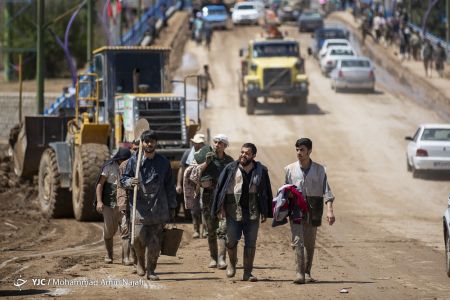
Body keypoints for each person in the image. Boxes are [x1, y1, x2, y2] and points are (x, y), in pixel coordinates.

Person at [212, 143, 273, 282]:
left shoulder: (261, 170)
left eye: (247, 153)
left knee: (251, 243)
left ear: (253, 156)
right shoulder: (231, 168)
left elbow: (266, 191)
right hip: (233, 211)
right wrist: (220, 208)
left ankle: (247, 273)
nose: (243, 155)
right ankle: (232, 265)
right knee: (231, 240)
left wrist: (265, 211)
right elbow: (221, 190)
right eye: (242, 152)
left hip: (252, 212)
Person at [121, 130, 177, 281]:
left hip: (158, 207)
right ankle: (140, 262)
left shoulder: (164, 162)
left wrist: (172, 206)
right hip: (139, 207)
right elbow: (123, 179)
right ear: (142, 143)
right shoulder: (134, 161)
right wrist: (129, 182)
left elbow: (170, 186)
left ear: (156, 143)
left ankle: (151, 270)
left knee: (154, 243)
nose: (149, 144)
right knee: (138, 238)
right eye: (146, 141)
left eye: (152, 141)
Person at [284, 138, 335, 284]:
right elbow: (284, 190)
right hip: (296, 210)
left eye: (302, 150)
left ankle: (307, 272)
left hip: (314, 210)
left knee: (309, 243)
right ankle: (299, 273)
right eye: (297, 150)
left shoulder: (320, 170)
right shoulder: (289, 169)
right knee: (297, 241)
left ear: (310, 151)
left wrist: (329, 211)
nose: (299, 153)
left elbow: (327, 192)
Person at [190, 134, 233, 269]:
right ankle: (213, 258)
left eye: (220, 143)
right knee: (210, 229)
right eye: (215, 142)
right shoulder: (206, 157)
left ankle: (221, 259)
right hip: (208, 197)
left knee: (223, 229)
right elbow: (195, 175)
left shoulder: (229, 161)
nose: (217, 144)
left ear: (225, 146)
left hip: (224, 199)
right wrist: (206, 163)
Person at [95, 147, 132, 264]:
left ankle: (125, 257)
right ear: (119, 159)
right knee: (109, 230)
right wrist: (99, 201)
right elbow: (100, 185)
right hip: (109, 205)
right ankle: (109, 255)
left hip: (124, 204)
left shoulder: (131, 167)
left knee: (126, 229)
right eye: (124, 159)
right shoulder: (109, 167)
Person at [177, 133, 206, 238]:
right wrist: (179, 184)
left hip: (205, 184)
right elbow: (182, 169)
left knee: (204, 207)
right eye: (195, 143)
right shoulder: (188, 153)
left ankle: (205, 230)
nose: (196, 145)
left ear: (203, 144)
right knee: (194, 209)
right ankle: (196, 230)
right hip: (191, 184)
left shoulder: (209, 154)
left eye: (199, 143)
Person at [117, 141, 140, 266]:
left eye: (138, 148)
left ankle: (136, 257)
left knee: (138, 232)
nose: (136, 151)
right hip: (128, 203)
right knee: (126, 230)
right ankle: (126, 257)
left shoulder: (146, 163)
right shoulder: (125, 165)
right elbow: (121, 187)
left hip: (142, 204)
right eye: (134, 149)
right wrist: (122, 204)